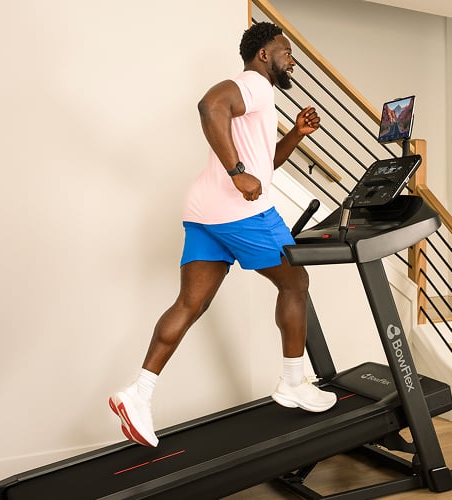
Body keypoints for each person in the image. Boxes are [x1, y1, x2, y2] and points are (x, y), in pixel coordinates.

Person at [108, 22, 337, 448]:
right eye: (286, 52)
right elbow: (209, 105)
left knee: (190, 303)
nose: (292, 59)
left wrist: (294, 135)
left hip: (202, 211)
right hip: (240, 212)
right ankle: (292, 381)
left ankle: (138, 394)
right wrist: (237, 174)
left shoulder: (259, 98)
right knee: (296, 281)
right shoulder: (255, 84)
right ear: (264, 54)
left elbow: (263, 165)